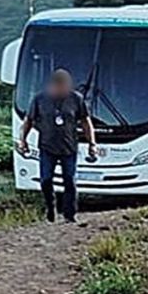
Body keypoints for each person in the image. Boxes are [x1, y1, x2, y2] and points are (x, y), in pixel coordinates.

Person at [19, 69, 98, 224]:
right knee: (45, 180)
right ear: (53, 85)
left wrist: (92, 143)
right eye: (60, 86)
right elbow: (28, 121)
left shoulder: (76, 99)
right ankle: (50, 207)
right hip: (47, 147)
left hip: (69, 148)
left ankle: (70, 214)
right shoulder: (39, 99)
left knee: (69, 180)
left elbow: (86, 122)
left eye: (66, 86)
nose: (63, 89)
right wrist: (23, 140)